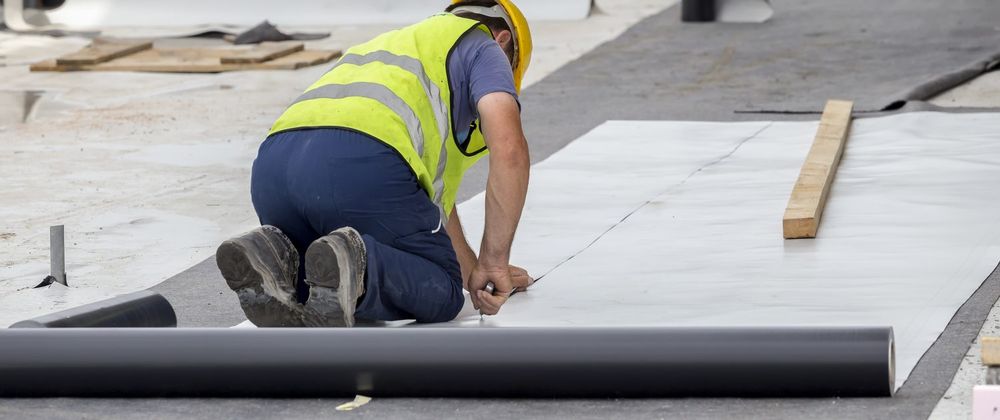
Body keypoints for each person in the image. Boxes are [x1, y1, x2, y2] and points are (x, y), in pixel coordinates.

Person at [216, 0, 535, 327]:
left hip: (274, 168)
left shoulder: (391, 47)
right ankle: (355, 263)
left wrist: (476, 273)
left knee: (320, 278)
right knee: (441, 291)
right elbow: (510, 150)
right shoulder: (486, 46)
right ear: (503, 40)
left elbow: (435, 212)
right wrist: (495, 263)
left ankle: (274, 254)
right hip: (359, 162)